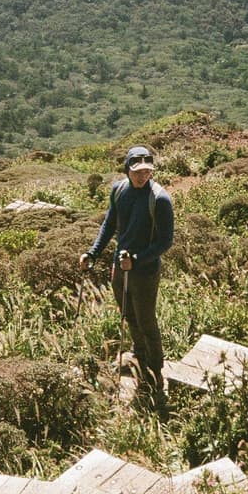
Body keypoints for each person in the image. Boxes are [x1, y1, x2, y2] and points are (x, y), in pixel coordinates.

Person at [80, 145, 174, 416]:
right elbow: (109, 225)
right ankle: (139, 358)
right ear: (128, 170)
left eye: (147, 171)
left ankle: (155, 373)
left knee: (146, 320)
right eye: (137, 172)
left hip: (143, 272)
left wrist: (137, 259)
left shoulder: (160, 200)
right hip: (120, 268)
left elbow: (165, 242)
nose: (142, 176)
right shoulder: (119, 190)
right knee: (129, 317)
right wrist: (93, 253)